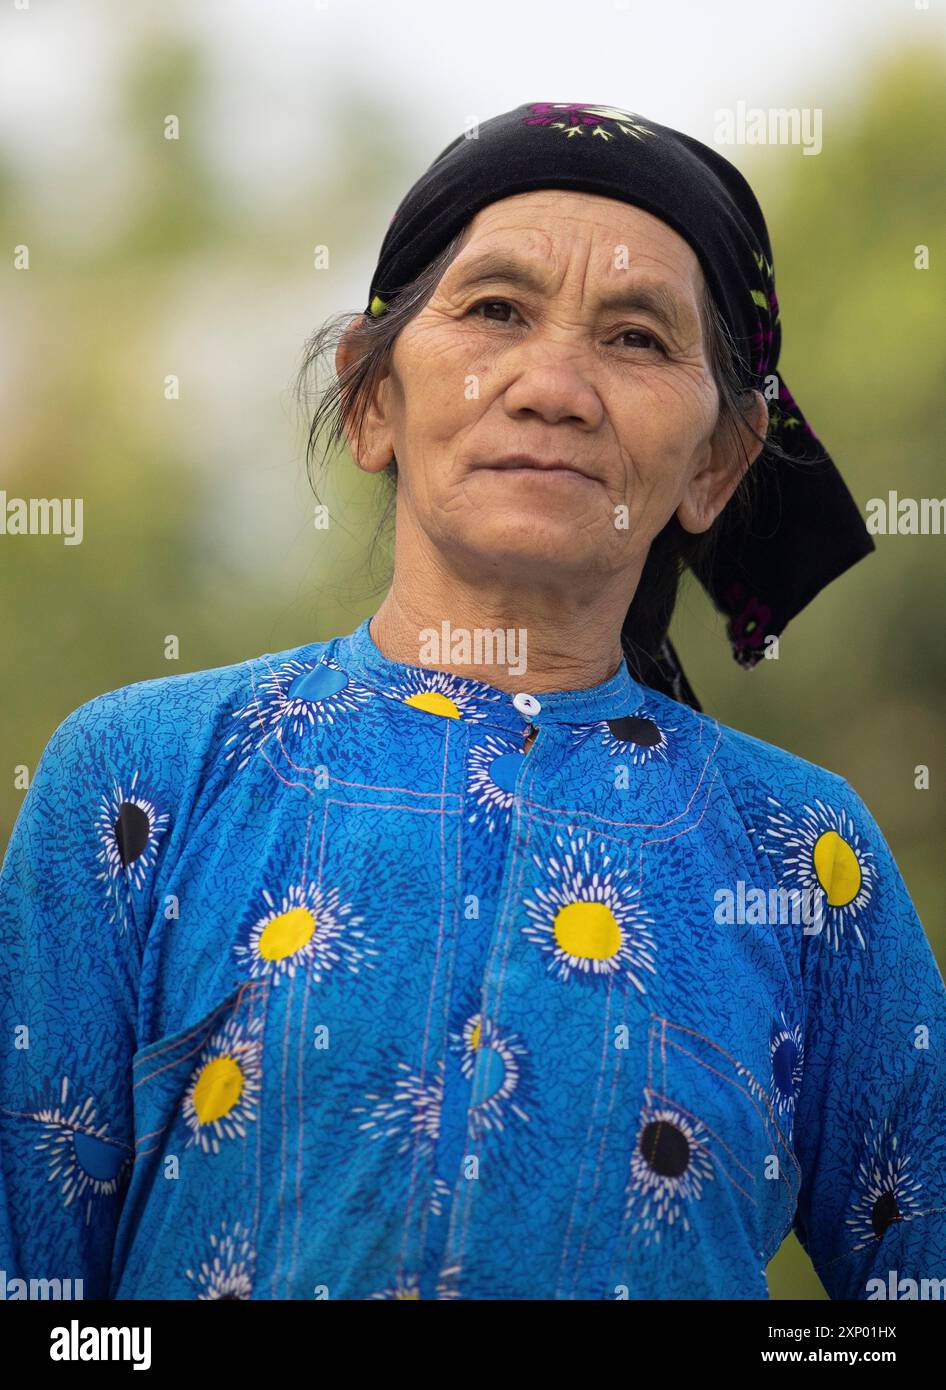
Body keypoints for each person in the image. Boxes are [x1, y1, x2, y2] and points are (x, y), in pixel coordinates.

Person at [1, 101, 944, 1301]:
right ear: (372, 398)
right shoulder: (143, 778)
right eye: (495, 310)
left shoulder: (806, 857)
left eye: (638, 339)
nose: (553, 385)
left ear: (717, 462)